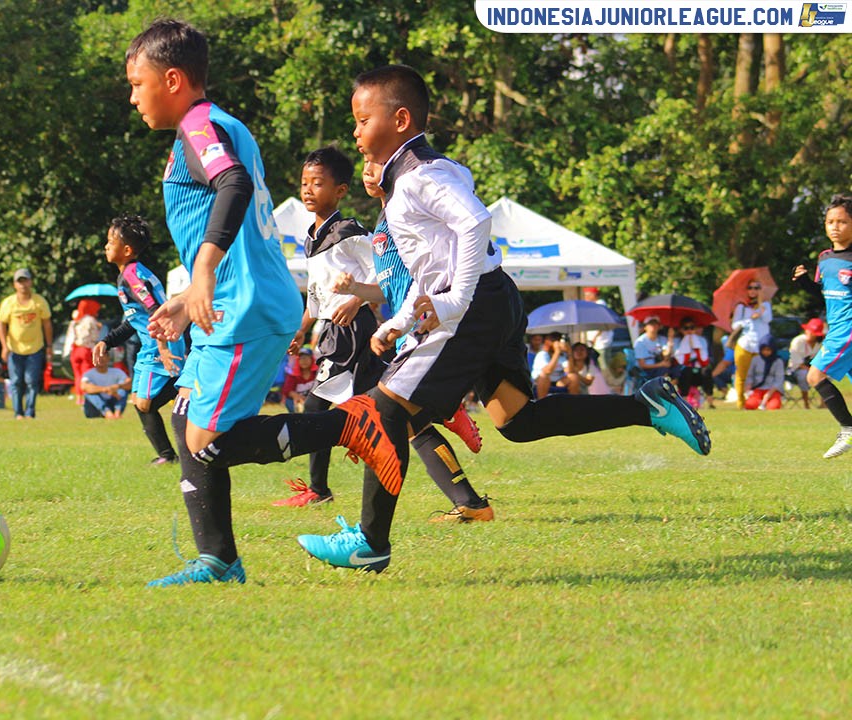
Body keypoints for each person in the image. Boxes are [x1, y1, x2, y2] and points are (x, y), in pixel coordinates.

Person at [185, 65, 710, 575]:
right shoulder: (418, 174)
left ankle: (366, 540)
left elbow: (474, 222)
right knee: (517, 421)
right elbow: (432, 260)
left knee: (385, 413)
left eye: (363, 119)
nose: (356, 131)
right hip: (494, 297)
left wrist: (455, 300)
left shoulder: (418, 176)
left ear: (401, 120)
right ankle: (647, 407)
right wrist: (401, 321)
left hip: (476, 303)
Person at [125, 19, 304, 585]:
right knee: (185, 420)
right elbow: (233, 217)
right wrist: (184, 298)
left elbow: (233, 186)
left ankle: (351, 427)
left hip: (244, 307)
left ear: (172, 79)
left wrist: (200, 272)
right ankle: (218, 560)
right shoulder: (218, 124)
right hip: (234, 300)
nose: (132, 97)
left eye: (137, 83)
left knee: (205, 441)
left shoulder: (199, 125)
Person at [329, 156, 492, 523]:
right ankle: (470, 502)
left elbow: (430, 272)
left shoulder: (408, 211)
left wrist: (402, 321)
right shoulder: (383, 225)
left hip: (426, 322)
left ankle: (449, 411)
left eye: (376, 161)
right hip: (409, 324)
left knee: (389, 417)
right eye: (365, 165)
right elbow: (389, 288)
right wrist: (357, 291)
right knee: (412, 426)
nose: (370, 169)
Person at [271, 146, 380, 507]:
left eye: (317, 183)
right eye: (304, 182)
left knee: (315, 409)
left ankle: (318, 490)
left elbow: (384, 275)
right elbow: (316, 296)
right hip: (332, 330)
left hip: (353, 329)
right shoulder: (311, 237)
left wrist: (355, 299)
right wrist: (301, 328)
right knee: (382, 411)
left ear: (341, 191)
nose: (307, 190)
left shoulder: (349, 231)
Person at [92, 214, 184, 466]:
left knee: (145, 402)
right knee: (140, 402)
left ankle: (186, 387)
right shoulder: (129, 274)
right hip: (153, 344)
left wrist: (164, 349)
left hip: (160, 343)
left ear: (127, 249)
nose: (106, 246)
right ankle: (167, 456)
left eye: (111, 241)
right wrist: (106, 342)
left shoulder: (132, 276)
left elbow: (156, 313)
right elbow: (134, 321)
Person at [792, 194, 852, 457]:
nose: (835, 227)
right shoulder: (825, 258)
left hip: (848, 330)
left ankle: (848, 429)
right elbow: (824, 295)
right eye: (830, 221)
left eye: (842, 221)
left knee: (814, 375)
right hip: (836, 328)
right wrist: (806, 284)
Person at [0, 268, 53, 420]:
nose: (23, 285)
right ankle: (18, 412)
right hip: (14, 349)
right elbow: (1, 324)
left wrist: (49, 347)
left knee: (32, 381)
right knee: (15, 382)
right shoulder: (9, 303)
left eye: (25, 281)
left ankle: (30, 412)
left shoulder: (39, 301)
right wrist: (4, 346)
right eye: (19, 282)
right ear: (15, 285)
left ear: (31, 282)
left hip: (35, 348)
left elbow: (47, 324)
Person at [731, 276, 772, 409]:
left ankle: (757, 402)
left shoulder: (765, 305)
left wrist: (760, 309)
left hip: (761, 346)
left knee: (760, 375)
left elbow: (768, 319)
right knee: (742, 375)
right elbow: (734, 325)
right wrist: (748, 319)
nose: (753, 290)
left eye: (757, 287)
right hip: (745, 344)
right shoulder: (742, 307)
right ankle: (740, 403)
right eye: (751, 288)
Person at [66, 299, 102, 405]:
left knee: (78, 375)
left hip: (75, 349)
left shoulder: (76, 320)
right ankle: (87, 397)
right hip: (86, 350)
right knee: (87, 375)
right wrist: (99, 328)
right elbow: (94, 337)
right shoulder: (90, 320)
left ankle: (79, 397)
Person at [673, 319, 714, 408]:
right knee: (686, 371)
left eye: (692, 328)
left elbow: (704, 361)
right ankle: (684, 400)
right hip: (684, 372)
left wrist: (695, 347)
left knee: (706, 371)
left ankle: (710, 401)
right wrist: (687, 346)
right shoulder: (677, 341)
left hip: (698, 369)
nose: (689, 331)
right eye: (686, 328)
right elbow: (680, 360)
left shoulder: (701, 340)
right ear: (681, 329)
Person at [81, 351, 131, 419]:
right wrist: (106, 389)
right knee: (89, 393)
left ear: (108, 358)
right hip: (95, 407)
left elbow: (129, 384)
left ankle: (117, 412)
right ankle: (107, 412)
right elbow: (84, 386)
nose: (100, 359)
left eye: (103, 356)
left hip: (113, 401)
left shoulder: (117, 372)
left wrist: (118, 386)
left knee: (123, 389)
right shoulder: (88, 374)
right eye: (97, 357)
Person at [788, 318, 824, 408]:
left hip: (814, 368)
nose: (810, 334)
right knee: (803, 374)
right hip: (796, 369)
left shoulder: (819, 344)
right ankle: (806, 403)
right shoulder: (798, 342)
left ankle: (824, 403)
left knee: (826, 375)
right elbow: (797, 362)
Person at [742, 337, 784, 410]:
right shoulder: (755, 359)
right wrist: (748, 387)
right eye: (763, 350)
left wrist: (768, 394)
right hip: (757, 388)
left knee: (773, 407)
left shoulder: (778, 362)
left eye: (768, 350)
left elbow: (779, 380)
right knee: (750, 405)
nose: (765, 352)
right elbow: (750, 375)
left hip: (772, 389)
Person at [531, 332, 575, 398]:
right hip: (541, 382)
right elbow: (547, 371)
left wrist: (569, 352)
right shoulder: (542, 354)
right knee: (544, 376)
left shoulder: (563, 356)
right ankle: (541, 403)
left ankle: (573, 404)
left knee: (573, 377)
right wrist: (557, 352)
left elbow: (570, 371)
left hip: (558, 382)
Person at [633, 316, 673, 380]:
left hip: (661, 366)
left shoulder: (663, 339)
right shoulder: (640, 342)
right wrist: (661, 364)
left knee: (679, 369)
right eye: (650, 324)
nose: (653, 326)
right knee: (664, 371)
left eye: (655, 324)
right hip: (647, 370)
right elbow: (642, 365)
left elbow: (666, 357)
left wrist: (670, 340)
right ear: (645, 327)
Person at [582, 286, 614, 367]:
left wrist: (594, 338)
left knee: (604, 367)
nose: (586, 297)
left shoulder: (599, 305)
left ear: (593, 295)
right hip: (597, 342)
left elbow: (602, 324)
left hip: (600, 342)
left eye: (587, 295)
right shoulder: (594, 306)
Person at [281, 347, 317, 412]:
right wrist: (297, 396)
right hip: (296, 401)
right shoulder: (293, 375)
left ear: (312, 359)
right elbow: (287, 390)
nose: (304, 361)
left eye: (306, 358)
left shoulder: (317, 374)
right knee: (290, 402)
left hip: (313, 401)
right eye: (301, 358)